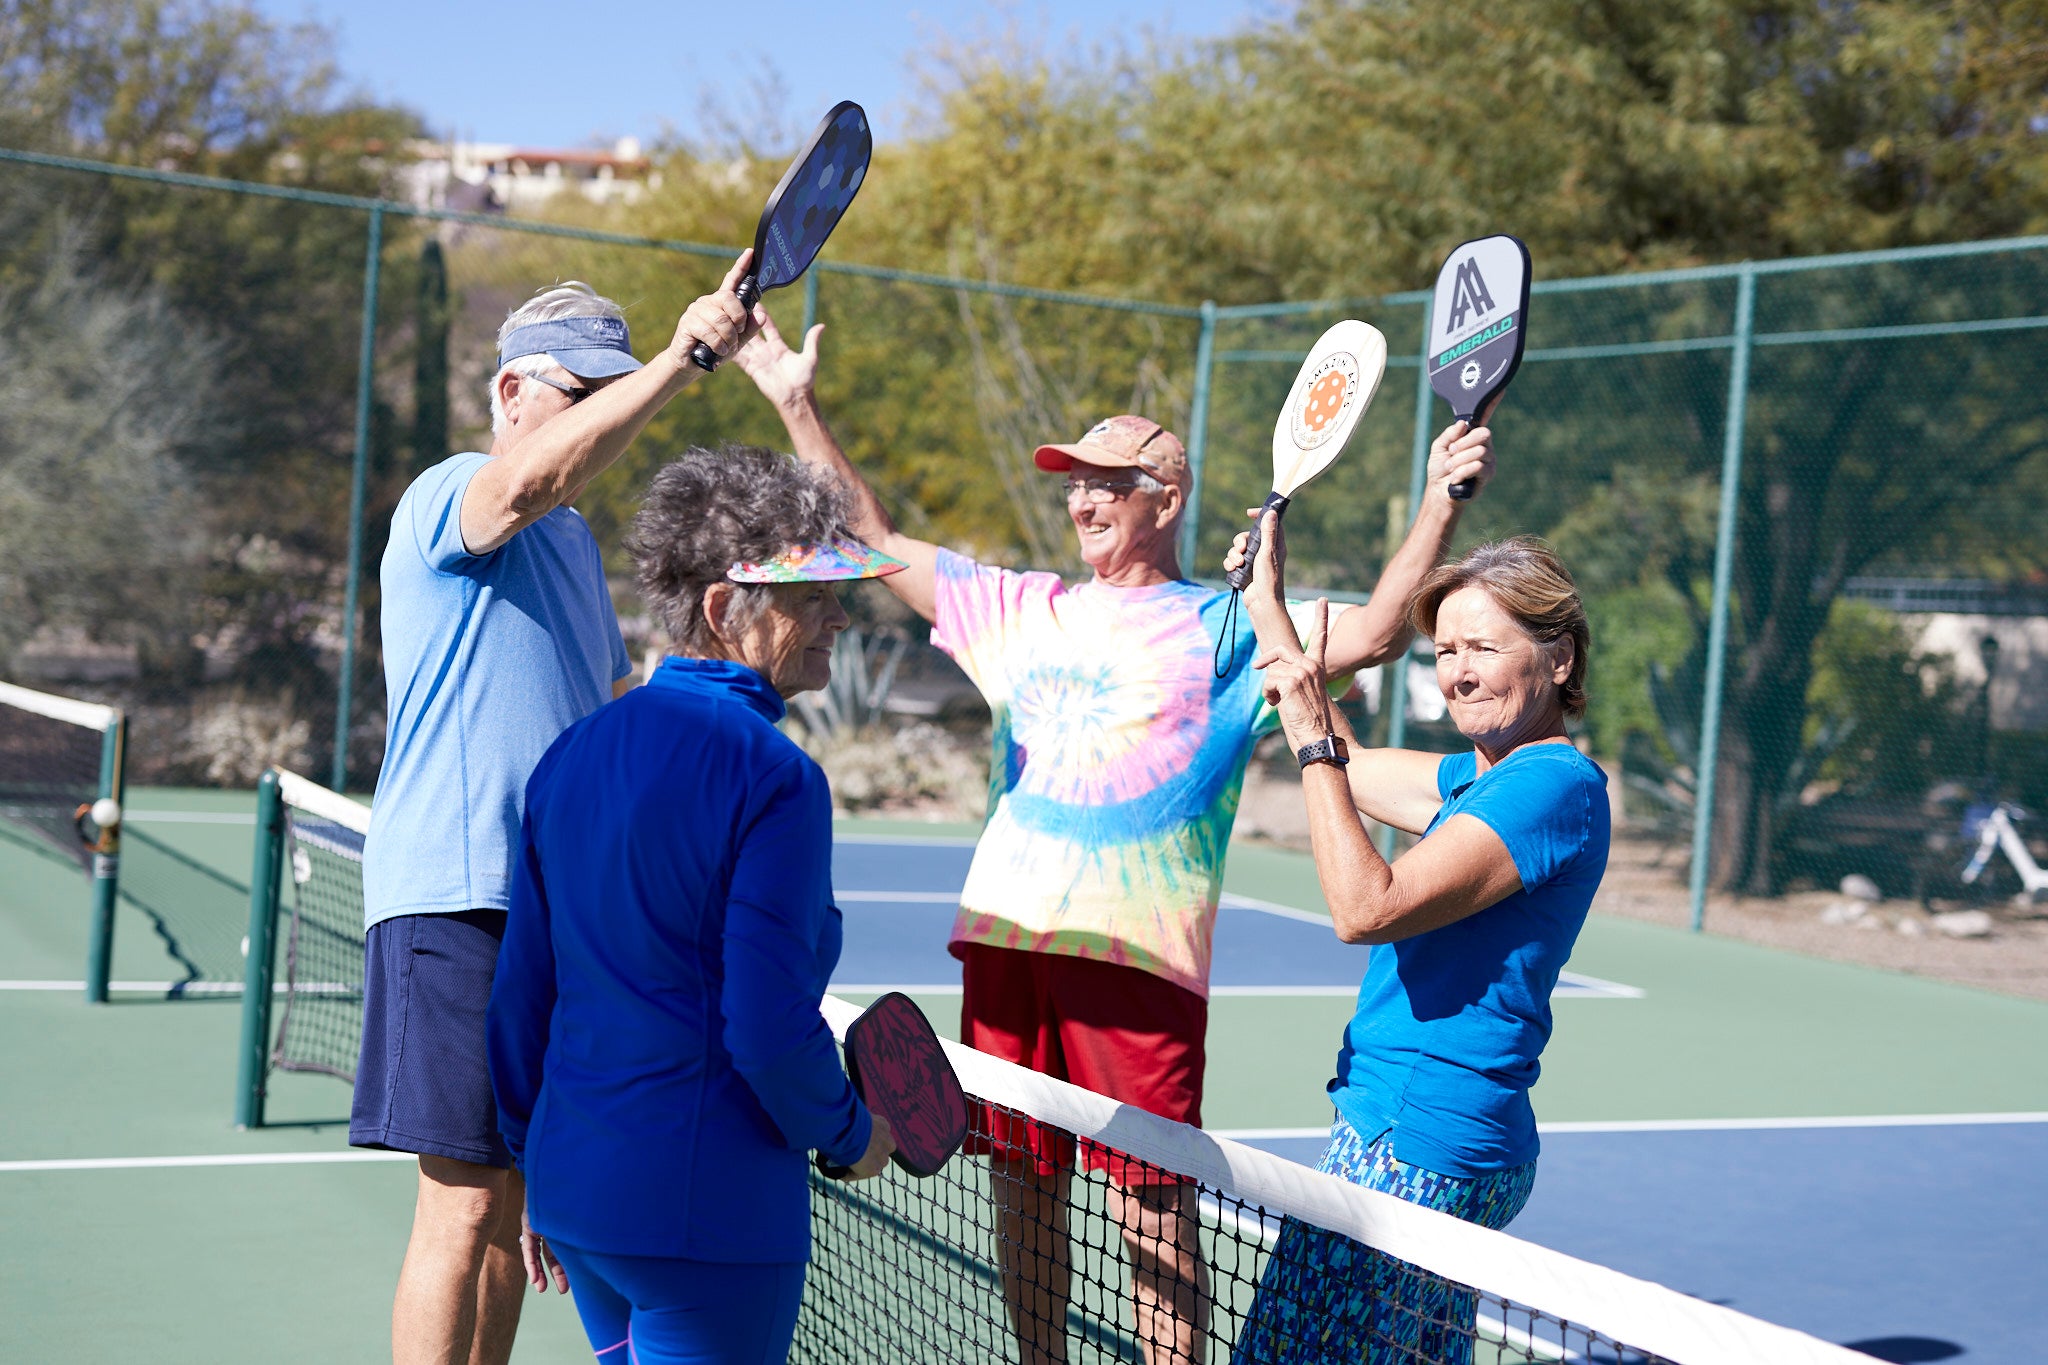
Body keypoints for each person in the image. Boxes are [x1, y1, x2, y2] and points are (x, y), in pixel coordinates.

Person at [731, 312, 1497, 1364]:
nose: (1080, 498)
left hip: (1136, 960)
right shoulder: (1020, 607)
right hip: (1007, 941)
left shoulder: (1233, 629)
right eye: (1071, 483)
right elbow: (874, 539)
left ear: (1164, 501)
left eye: (1105, 482)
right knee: (1021, 1189)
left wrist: (1435, 501)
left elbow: (1366, 633)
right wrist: (792, 400)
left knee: (1153, 1217)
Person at [353, 255, 759, 1365]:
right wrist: (682, 360)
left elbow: (594, 735)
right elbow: (525, 485)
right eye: (580, 396)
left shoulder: (576, 549)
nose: (597, 418)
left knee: (521, 1221)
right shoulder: (453, 490)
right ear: (510, 394)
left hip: (556, 926)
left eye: (605, 394)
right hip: (454, 896)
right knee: (463, 1208)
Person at [487, 447, 900, 1365]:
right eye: (812, 595)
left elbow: (521, 997)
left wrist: (537, 1165)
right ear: (723, 610)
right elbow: (762, 1026)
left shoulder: (571, 754)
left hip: (577, 1194)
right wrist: (852, 1132)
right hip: (709, 1218)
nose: (840, 614)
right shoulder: (777, 777)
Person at [1225, 526, 1611, 1364]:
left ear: (1560, 660)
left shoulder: (1550, 784)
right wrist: (1267, 601)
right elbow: (1349, 763)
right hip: (1440, 1136)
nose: (1459, 670)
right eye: (1444, 649)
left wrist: (1311, 738)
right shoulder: (1481, 776)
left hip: (1413, 1142)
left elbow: (1367, 905)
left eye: (1484, 646)